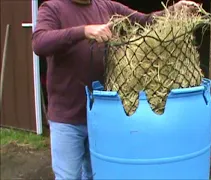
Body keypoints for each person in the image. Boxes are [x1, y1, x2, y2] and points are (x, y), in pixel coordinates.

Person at [32, 0, 199, 179]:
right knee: (68, 177)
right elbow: (39, 43)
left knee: (96, 175)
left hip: (102, 116)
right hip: (68, 117)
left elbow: (145, 21)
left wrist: (173, 10)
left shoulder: (106, 6)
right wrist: (84, 31)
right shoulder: (53, 8)